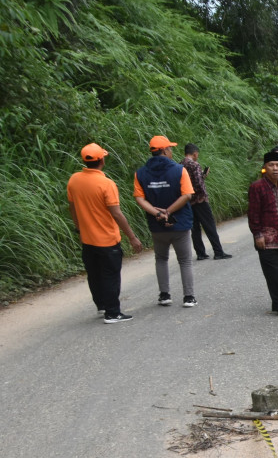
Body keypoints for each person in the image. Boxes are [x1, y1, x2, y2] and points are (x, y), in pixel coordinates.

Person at [66, 143, 144, 323]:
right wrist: (132, 237)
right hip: (107, 239)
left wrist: (78, 227)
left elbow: (72, 207)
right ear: (101, 160)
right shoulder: (106, 183)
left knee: (94, 274)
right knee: (110, 274)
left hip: (87, 238)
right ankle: (112, 312)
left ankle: (101, 305)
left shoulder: (74, 180)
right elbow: (116, 213)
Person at [133, 134, 197, 308]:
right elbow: (187, 195)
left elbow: (139, 198)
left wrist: (157, 213)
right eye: (170, 148)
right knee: (185, 260)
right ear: (164, 150)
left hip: (157, 225)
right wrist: (169, 211)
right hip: (180, 223)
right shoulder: (179, 170)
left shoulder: (141, 173)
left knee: (161, 259)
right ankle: (189, 297)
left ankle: (164, 295)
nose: (171, 151)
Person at [248, 149, 278, 318]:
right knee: (273, 273)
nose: (275, 168)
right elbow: (253, 214)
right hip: (267, 240)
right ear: (264, 168)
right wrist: (257, 234)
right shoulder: (257, 188)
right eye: (271, 165)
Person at [181, 143, 231, 260]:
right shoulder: (194, 165)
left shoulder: (180, 165)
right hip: (200, 200)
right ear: (195, 153)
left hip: (187, 201)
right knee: (209, 226)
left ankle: (200, 253)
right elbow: (198, 183)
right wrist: (204, 194)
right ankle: (218, 251)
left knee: (195, 228)